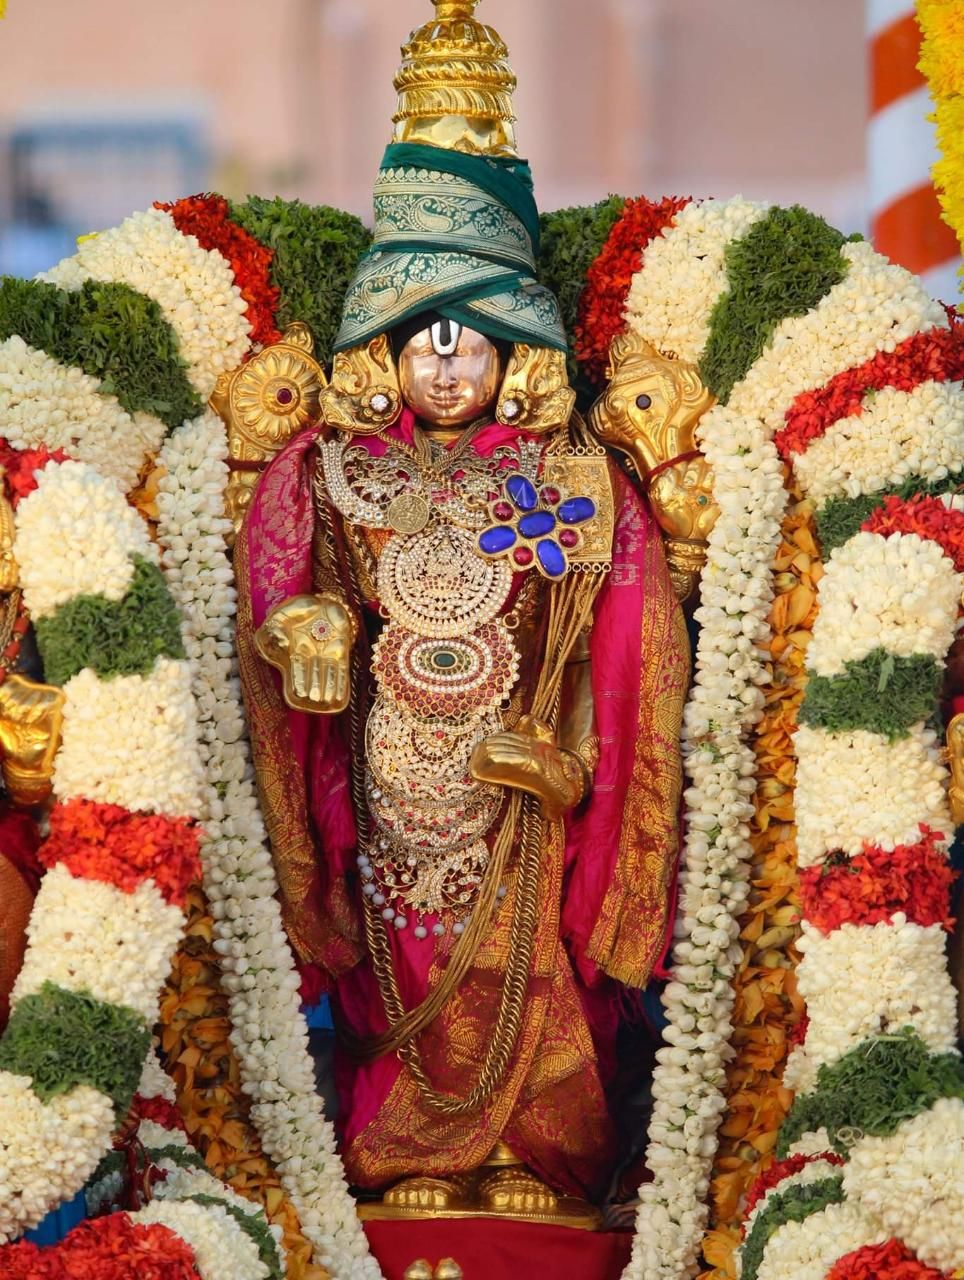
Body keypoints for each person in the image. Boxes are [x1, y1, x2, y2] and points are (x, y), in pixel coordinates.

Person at [233, 0, 691, 1223]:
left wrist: (575, 763)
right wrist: (306, 633)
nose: (444, 363)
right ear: (383, 344)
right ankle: (405, 1159)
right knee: (401, 974)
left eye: (471, 340)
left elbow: (631, 644)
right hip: (389, 794)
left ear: (515, 349)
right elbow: (281, 592)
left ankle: (532, 1160)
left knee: (524, 970)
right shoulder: (328, 468)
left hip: (523, 804)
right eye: (421, 338)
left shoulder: (573, 474)